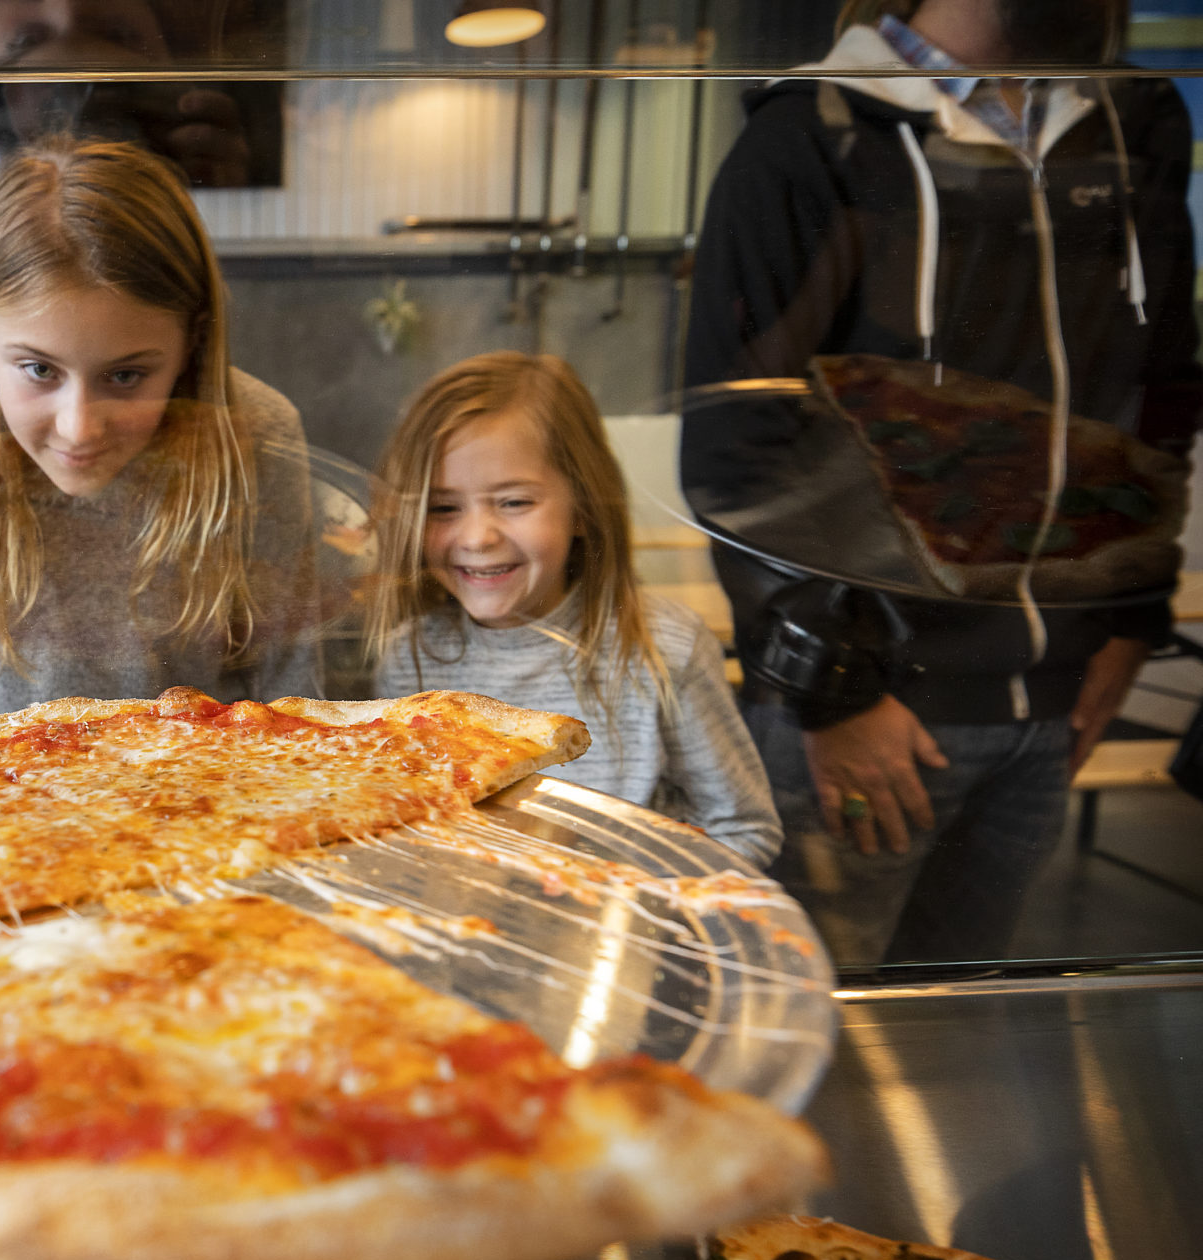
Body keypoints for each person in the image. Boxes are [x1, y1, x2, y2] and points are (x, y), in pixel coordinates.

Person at [680, 0, 1202, 959]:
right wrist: (831, 690)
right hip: (876, 715)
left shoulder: (1135, 121)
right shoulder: (813, 136)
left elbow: (1160, 395)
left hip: (1052, 707)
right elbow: (736, 444)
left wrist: (1133, 619)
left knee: (952, 1041)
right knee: (818, 1044)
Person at [0, 136, 320, 737]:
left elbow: (291, 702)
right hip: (6, 813)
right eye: (38, 369)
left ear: (191, 343)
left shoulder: (260, 435)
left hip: (221, 808)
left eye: (126, 375)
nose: (79, 427)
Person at [369, 353, 780, 867]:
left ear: (582, 508)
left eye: (514, 502)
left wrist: (629, 894)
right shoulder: (406, 656)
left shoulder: (668, 647)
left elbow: (745, 830)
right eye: (443, 508)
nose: (477, 537)